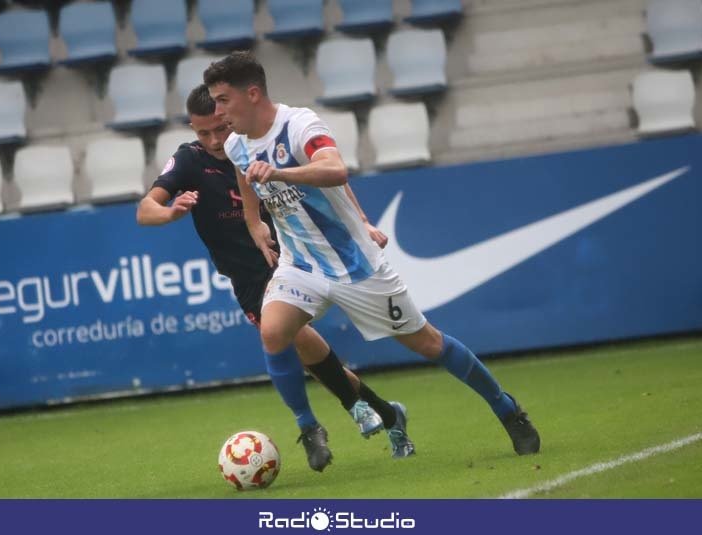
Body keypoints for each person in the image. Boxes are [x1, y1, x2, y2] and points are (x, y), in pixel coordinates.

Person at [205, 51, 541, 457]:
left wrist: (280, 173)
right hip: (301, 264)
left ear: (253, 93)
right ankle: (309, 428)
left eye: (223, 99)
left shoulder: (300, 124)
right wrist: (254, 221)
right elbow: (246, 175)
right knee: (273, 332)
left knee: (429, 344)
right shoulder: (238, 143)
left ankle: (507, 410)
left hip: (355, 266)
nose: (217, 110)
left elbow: (335, 168)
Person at [136, 84, 414, 472]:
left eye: (221, 129)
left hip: (291, 257)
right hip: (244, 276)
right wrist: (170, 212)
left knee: (293, 336)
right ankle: (385, 413)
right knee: (306, 353)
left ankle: (313, 424)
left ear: (230, 114)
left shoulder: (258, 142)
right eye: (204, 133)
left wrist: (363, 222)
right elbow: (145, 209)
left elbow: (332, 178)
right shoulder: (188, 161)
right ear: (192, 129)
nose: (215, 140)